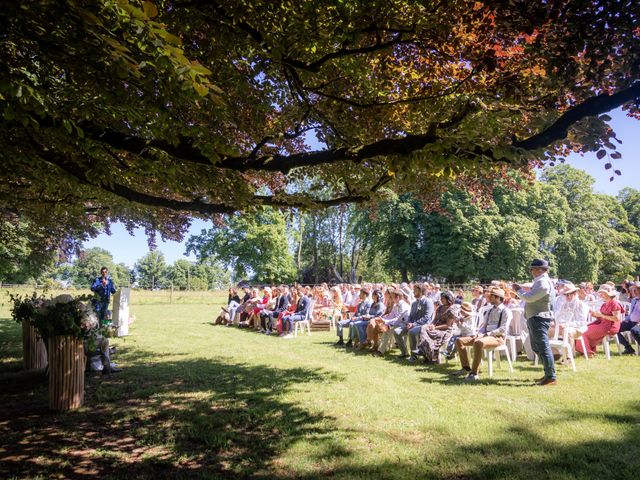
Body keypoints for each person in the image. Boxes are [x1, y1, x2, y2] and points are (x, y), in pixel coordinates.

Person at [453, 288, 512, 381]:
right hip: (484, 335)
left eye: (491, 296)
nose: (489, 298)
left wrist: (486, 334)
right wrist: (479, 333)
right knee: (459, 340)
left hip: (498, 337)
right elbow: (484, 326)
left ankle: (474, 373)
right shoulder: (489, 310)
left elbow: (503, 329)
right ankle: (466, 368)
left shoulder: (506, 311)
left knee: (478, 343)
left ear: (497, 298)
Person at [514, 259, 557, 386]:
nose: (531, 271)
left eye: (531, 269)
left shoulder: (542, 282)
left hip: (539, 318)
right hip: (536, 317)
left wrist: (518, 290)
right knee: (537, 347)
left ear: (539, 269)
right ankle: (548, 374)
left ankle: (551, 376)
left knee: (542, 348)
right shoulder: (541, 281)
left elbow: (529, 298)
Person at [575, 284, 624, 357]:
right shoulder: (605, 304)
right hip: (603, 324)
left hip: (610, 327)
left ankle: (588, 352)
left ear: (607, 294)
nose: (600, 294)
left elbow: (616, 318)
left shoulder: (614, 303)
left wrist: (601, 315)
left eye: (602, 293)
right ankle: (586, 350)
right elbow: (602, 317)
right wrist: (595, 314)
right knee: (581, 329)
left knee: (583, 332)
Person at [417, 291, 460, 364]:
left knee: (430, 333)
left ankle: (430, 356)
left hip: (445, 330)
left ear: (448, 299)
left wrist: (435, 328)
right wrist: (432, 325)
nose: (441, 300)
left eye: (443, 298)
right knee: (423, 328)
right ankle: (426, 353)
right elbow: (435, 320)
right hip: (436, 327)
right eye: (441, 298)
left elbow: (447, 325)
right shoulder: (440, 307)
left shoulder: (452, 309)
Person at [393, 283, 434, 359]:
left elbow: (427, 317)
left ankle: (414, 355)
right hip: (413, 325)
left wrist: (413, 324)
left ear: (420, 291)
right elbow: (411, 316)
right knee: (396, 332)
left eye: (415, 290)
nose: (413, 292)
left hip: (424, 325)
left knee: (412, 332)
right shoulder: (414, 303)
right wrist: (409, 322)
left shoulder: (428, 301)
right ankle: (405, 353)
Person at [617, 283, 640, 354]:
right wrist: (626, 320)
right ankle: (628, 348)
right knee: (614, 328)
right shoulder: (634, 300)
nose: (634, 291)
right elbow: (632, 313)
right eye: (634, 290)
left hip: (638, 323)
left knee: (634, 330)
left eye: (637, 289)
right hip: (631, 322)